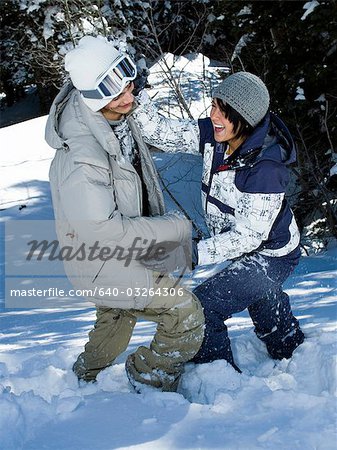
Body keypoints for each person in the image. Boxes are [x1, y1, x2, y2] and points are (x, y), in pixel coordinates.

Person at [44, 35, 204, 392]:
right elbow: (103, 231)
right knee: (184, 312)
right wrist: (175, 228)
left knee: (117, 316)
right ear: (95, 98)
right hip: (105, 258)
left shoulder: (110, 113)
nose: (131, 96)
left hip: (107, 257)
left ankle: (83, 377)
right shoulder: (83, 161)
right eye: (119, 94)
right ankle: (148, 377)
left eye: (129, 84)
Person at [132, 71, 305, 370]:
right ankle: (290, 345)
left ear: (245, 118)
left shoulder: (264, 167)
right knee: (259, 295)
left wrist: (192, 252)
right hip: (245, 247)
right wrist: (138, 92)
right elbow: (161, 132)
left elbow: (249, 237)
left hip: (271, 253)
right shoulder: (217, 135)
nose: (214, 115)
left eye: (224, 111)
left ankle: (217, 375)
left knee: (203, 307)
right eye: (213, 105)